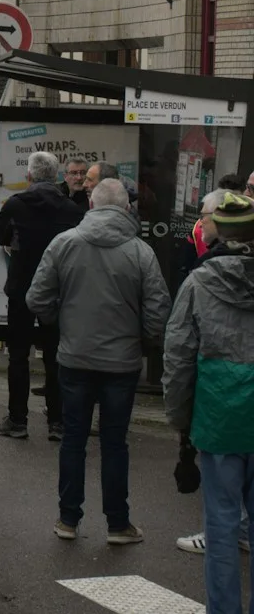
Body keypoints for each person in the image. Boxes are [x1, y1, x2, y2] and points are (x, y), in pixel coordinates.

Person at [27, 176, 168, 546]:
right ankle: (118, 523)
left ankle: (68, 519)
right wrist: (142, 339)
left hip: (74, 357)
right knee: (114, 442)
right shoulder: (141, 252)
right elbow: (158, 311)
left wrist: (63, 322)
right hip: (121, 363)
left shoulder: (64, 244)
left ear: (91, 205)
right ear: (127, 209)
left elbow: (37, 299)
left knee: (73, 439)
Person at [163, 190, 254, 611]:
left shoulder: (199, 281)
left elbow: (179, 355)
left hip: (218, 413)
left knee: (220, 525)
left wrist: (181, 420)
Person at [0, 151, 84, 441]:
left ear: (29, 176)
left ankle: (18, 420)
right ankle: (57, 422)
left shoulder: (16, 204)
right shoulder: (70, 209)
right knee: (55, 354)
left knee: (18, 354)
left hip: (22, 287)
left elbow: (2, 236)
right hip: (57, 289)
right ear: (57, 176)